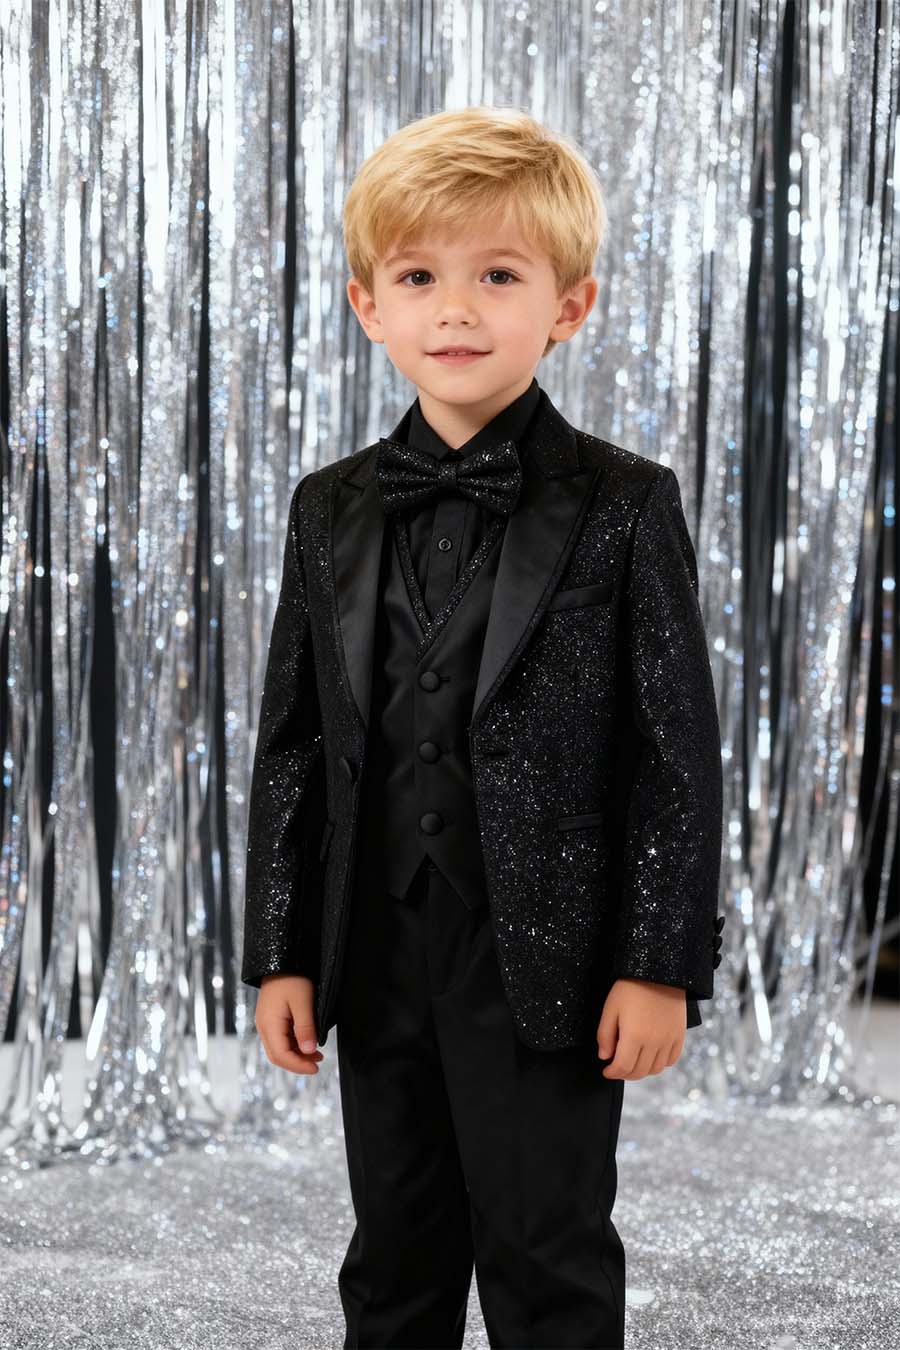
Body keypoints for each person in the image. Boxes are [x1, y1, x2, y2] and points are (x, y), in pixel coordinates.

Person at [242, 104, 725, 1350]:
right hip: (376, 942)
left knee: (546, 1248)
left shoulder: (626, 503)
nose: (455, 309)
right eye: (419, 278)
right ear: (369, 306)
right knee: (391, 1255)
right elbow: (294, 745)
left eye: (499, 276)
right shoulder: (326, 507)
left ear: (571, 305)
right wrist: (282, 949)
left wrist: (659, 962)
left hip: (549, 955)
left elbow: (675, 753)